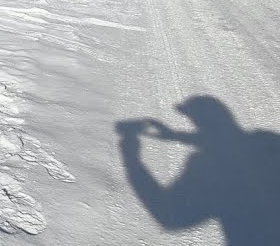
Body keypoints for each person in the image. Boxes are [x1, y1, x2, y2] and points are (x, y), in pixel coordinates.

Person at [116, 96, 280, 245]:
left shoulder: (209, 167)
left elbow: (170, 215)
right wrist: (175, 135)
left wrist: (132, 159)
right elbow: (234, 143)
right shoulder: (267, 140)